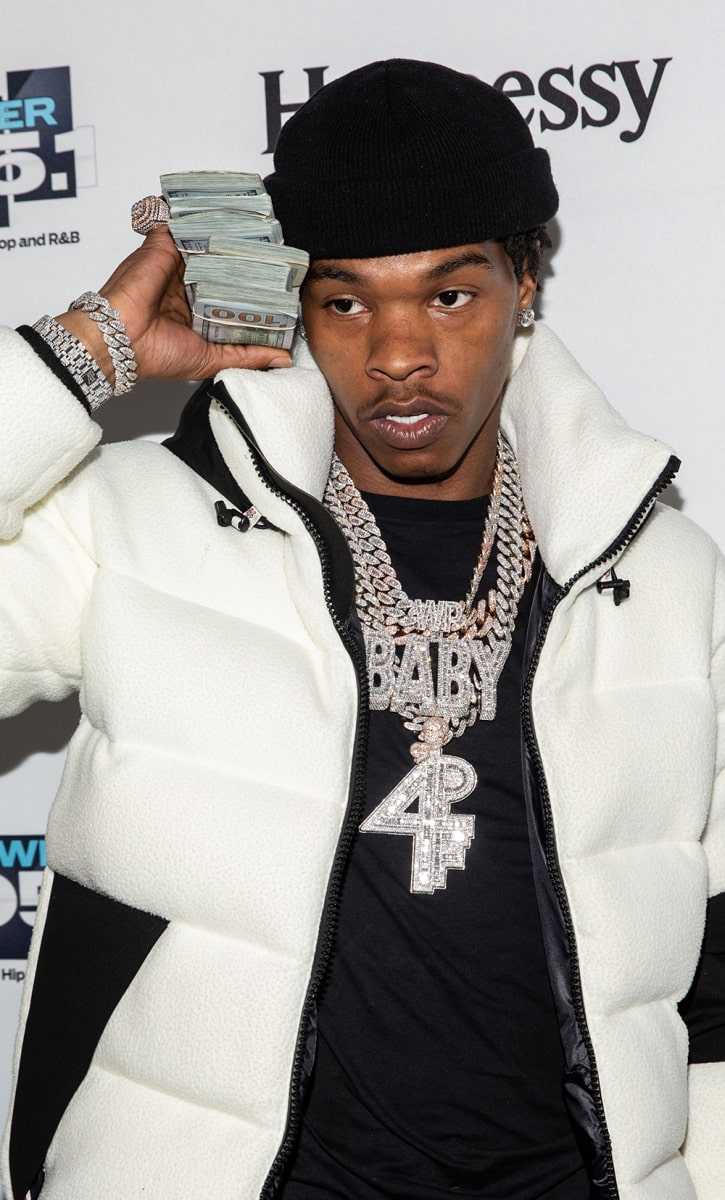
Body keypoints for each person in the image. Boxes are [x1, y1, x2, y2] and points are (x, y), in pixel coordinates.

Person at [0, 56, 722, 1200]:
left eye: (449, 295)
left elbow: (713, 966)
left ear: (524, 281)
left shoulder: (662, 574)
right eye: (343, 302)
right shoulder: (137, 527)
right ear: (294, 302)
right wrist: (86, 356)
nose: (396, 356)